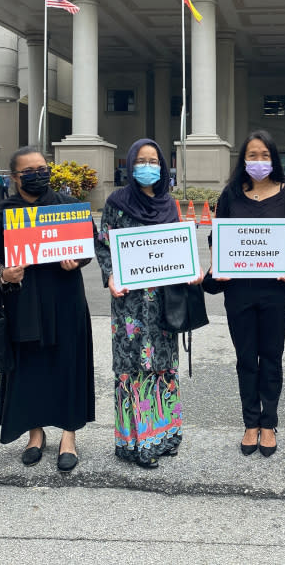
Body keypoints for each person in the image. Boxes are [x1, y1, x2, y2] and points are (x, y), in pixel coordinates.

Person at [96, 139, 203, 469]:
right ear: (129, 164)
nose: (147, 166)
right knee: (134, 367)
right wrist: (111, 275)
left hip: (163, 302)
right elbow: (104, 245)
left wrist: (192, 268)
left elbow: (177, 248)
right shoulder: (117, 202)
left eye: (153, 160)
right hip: (130, 304)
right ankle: (137, 442)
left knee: (163, 365)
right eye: (141, 160)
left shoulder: (169, 205)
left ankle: (166, 435)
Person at [0, 147, 95, 473]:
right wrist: (2, 273)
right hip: (23, 299)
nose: (39, 174)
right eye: (30, 170)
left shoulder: (66, 208)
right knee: (29, 368)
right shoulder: (2, 212)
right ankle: (35, 434)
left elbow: (87, 248)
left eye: (43, 168)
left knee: (68, 364)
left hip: (64, 296)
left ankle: (69, 436)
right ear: (15, 177)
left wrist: (76, 260)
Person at [208, 130, 285, 457]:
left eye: (265, 155)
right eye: (252, 155)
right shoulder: (231, 194)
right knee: (246, 359)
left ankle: (269, 422)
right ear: (243, 159)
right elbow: (216, 238)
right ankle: (251, 422)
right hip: (238, 291)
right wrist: (219, 260)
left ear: (274, 159)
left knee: (272, 358)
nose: (259, 161)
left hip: (275, 290)